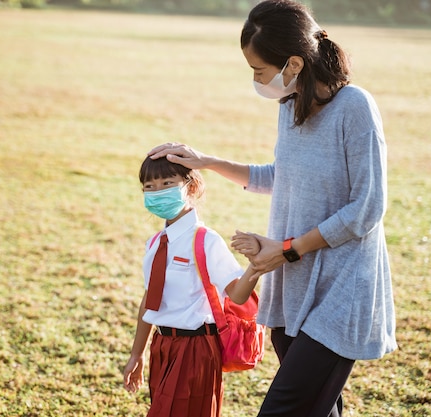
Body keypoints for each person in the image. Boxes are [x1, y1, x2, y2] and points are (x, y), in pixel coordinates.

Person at [148, 1, 397, 416]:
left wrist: (285, 249)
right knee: (317, 408)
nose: (256, 79)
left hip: (341, 290)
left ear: (294, 63)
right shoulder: (291, 106)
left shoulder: (355, 108)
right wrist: (205, 161)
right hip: (293, 287)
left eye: (259, 70)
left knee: (284, 409)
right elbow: (282, 176)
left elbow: (366, 208)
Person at [123, 155, 260, 417]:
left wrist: (255, 266)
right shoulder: (155, 243)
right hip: (161, 344)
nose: (158, 192)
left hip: (195, 348)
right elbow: (149, 300)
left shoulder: (205, 240)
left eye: (167, 183)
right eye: (149, 186)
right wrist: (136, 354)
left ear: (192, 187)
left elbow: (238, 295)